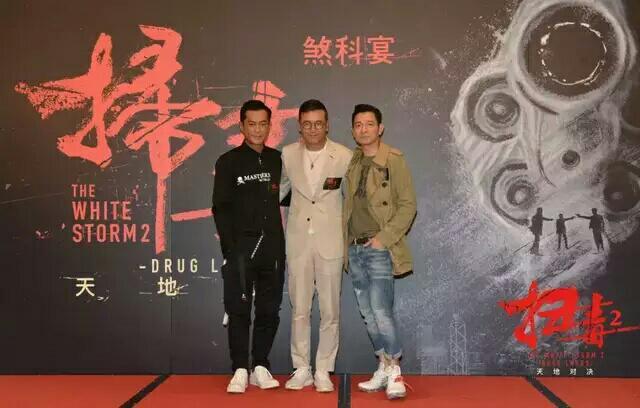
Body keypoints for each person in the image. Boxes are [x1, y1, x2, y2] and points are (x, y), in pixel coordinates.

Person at [342, 104, 417, 400]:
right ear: (353, 131)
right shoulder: (353, 161)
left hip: (378, 248)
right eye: (358, 125)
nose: (364, 129)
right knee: (367, 313)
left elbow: (408, 205)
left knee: (381, 310)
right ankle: (383, 366)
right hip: (355, 248)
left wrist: (383, 239)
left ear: (380, 128)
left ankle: (395, 370)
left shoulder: (394, 160)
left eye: (369, 124)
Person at [212, 100, 285, 393]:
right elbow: (220, 208)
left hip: (273, 249)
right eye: (251, 124)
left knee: (269, 309)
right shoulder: (228, 161)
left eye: (263, 124)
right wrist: (231, 250)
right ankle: (240, 368)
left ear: (270, 126)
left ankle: (261, 366)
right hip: (240, 250)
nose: (257, 130)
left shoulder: (278, 160)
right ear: (241, 126)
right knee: (238, 309)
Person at [279, 99, 352, 392]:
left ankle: (323, 369)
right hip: (298, 241)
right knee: (299, 308)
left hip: (330, 242)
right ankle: (301, 368)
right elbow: (279, 192)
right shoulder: (287, 155)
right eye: (307, 124)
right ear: (299, 126)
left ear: (327, 125)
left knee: (330, 310)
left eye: (318, 124)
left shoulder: (344, 156)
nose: (313, 129)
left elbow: (352, 201)